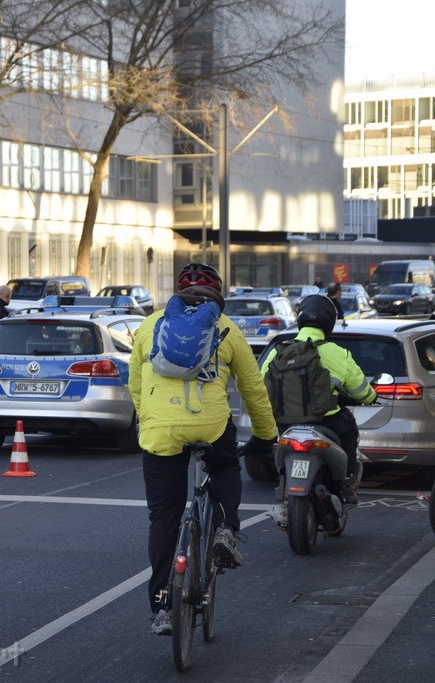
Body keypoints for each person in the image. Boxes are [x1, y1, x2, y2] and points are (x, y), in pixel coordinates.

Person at [128, 263, 278, 636]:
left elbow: (133, 382)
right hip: (209, 425)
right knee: (226, 465)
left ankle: (162, 605)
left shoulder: (150, 326)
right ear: (217, 295)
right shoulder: (227, 329)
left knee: (163, 516)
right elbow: (253, 388)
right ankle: (226, 529)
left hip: (160, 430)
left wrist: (150, 420)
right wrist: (265, 435)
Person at [260, 294, 376, 504]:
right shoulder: (338, 353)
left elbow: (260, 386)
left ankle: (284, 480)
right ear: (329, 322)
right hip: (328, 422)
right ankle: (348, 480)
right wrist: (370, 397)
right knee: (349, 428)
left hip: (286, 424)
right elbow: (362, 391)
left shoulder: (280, 350)